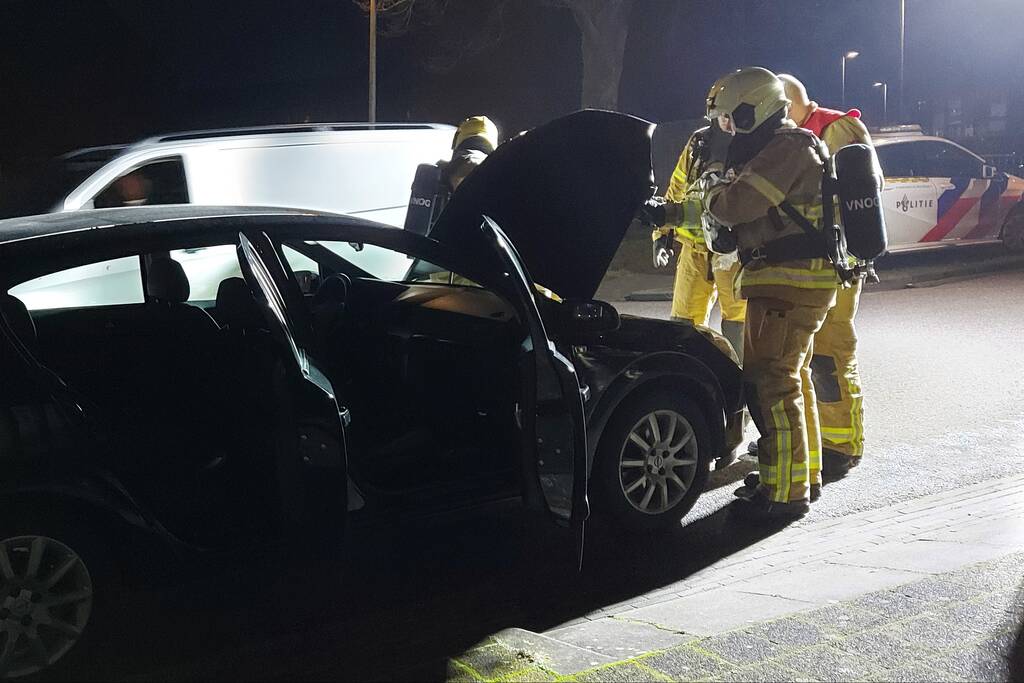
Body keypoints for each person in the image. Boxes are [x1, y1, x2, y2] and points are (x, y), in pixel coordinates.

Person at [702, 67, 840, 518]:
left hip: (787, 282)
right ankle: (804, 475)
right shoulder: (788, 145)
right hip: (792, 281)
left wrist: (712, 192)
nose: (727, 130)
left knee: (771, 383)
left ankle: (783, 494)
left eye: (729, 120)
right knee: (792, 379)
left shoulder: (786, 148)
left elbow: (735, 206)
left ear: (753, 110)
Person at [777, 73, 873, 479]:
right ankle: (814, 439)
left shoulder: (837, 128)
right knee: (805, 356)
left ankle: (842, 443)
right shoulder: (795, 135)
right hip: (811, 262)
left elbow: (853, 199)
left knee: (831, 352)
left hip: (838, 261)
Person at [648, 113, 746, 360]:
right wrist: (662, 235)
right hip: (695, 249)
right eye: (722, 114)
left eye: (732, 113)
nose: (727, 120)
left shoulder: (758, 146)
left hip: (736, 251)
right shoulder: (700, 142)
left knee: (741, 325)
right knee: (683, 325)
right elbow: (677, 189)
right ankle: (691, 381)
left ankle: (745, 387)